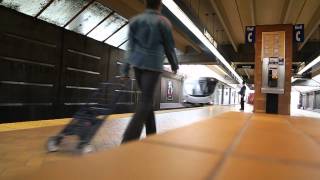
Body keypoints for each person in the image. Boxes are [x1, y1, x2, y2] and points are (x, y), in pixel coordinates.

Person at [120, 0, 179, 143]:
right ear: (160, 6)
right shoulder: (163, 22)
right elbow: (169, 47)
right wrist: (174, 65)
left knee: (147, 100)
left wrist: (125, 69)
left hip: (137, 65)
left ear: (146, 4)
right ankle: (128, 139)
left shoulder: (135, 21)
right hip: (153, 66)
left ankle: (152, 135)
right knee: (146, 101)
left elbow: (130, 48)